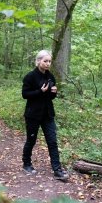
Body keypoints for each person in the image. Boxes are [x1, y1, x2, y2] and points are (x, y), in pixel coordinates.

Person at [22, 50, 69, 181]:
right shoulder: (30, 76)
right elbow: (25, 94)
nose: (48, 64)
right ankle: (26, 164)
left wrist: (54, 92)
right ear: (38, 61)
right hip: (33, 114)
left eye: (49, 61)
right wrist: (39, 91)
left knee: (52, 141)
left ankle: (57, 170)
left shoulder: (50, 77)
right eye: (45, 61)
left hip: (47, 114)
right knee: (31, 140)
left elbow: (50, 97)